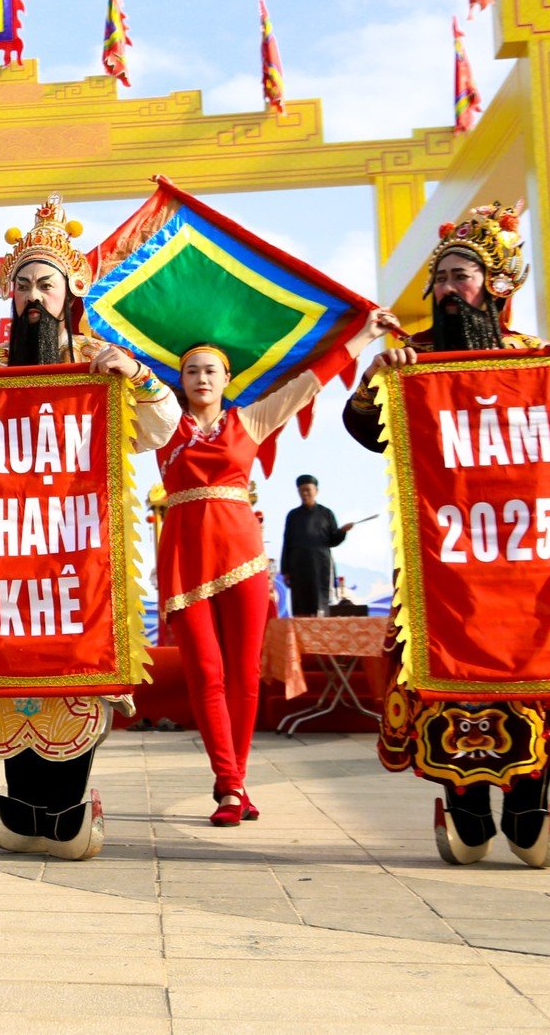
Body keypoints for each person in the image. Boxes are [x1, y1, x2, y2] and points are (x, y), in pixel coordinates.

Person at [343, 200, 550, 868]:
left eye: (461, 276)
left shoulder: (537, 360)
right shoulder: (411, 362)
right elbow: (364, 430)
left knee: (529, 685)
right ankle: (467, 809)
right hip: (444, 562)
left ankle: (529, 808)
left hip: (527, 566)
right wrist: (370, 387)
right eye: (440, 277)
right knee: (446, 682)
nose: (447, 289)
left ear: (498, 287)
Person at [0, 196, 180, 858]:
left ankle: (63, 806)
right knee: (17, 674)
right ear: (8, 295)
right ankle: (27, 806)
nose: (34, 297)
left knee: (71, 669)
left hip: (80, 549)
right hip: (6, 551)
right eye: (23, 285)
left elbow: (160, 427)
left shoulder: (101, 359)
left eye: (46, 285)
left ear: (72, 292)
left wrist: (140, 377)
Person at [160, 309, 396, 827]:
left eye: (210, 371)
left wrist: (362, 337)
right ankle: (230, 782)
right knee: (205, 671)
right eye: (192, 371)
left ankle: (232, 785)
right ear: (180, 380)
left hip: (241, 556)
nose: (201, 378)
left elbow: (311, 382)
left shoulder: (252, 419)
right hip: (183, 557)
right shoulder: (159, 422)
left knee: (244, 674)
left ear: (227, 380)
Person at [280, 475, 351, 618]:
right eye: (301, 491)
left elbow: (333, 541)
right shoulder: (293, 516)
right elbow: (286, 542)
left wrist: (342, 532)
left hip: (321, 566)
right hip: (298, 566)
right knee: (301, 603)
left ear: (316, 491)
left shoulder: (326, 513)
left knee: (320, 602)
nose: (304, 493)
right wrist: (285, 570)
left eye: (308, 490)